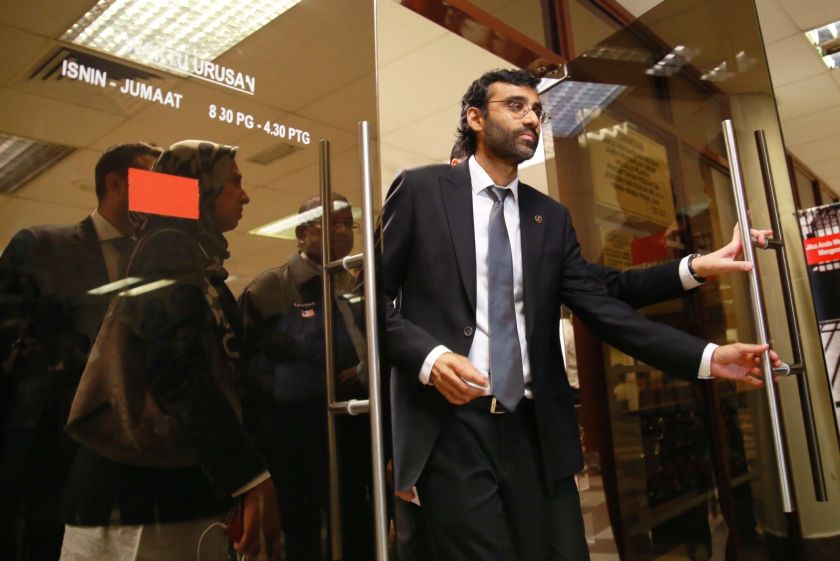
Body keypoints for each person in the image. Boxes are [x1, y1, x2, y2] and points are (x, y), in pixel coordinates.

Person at [382, 68, 780, 561]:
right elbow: (370, 303)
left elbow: (601, 298)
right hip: (450, 427)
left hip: (532, 428)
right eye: (516, 106)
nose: (532, 119)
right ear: (475, 118)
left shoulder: (548, 216)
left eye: (536, 110)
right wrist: (430, 356)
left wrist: (705, 349)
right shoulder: (422, 191)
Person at [58, 140, 281, 561]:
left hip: (162, 499)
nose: (245, 195)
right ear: (199, 188)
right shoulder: (168, 244)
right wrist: (250, 475)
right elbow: (177, 366)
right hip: (139, 508)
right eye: (234, 181)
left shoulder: (199, 265)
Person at [0, 142, 161, 561]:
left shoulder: (158, 266)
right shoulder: (39, 245)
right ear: (115, 183)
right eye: (158, 182)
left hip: (130, 449)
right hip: (44, 446)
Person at [238, 194, 373, 561]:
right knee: (305, 542)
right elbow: (251, 385)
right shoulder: (269, 290)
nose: (343, 231)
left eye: (349, 223)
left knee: (360, 535)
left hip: (358, 441)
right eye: (331, 223)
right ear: (301, 233)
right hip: (297, 450)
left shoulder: (360, 285)